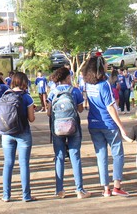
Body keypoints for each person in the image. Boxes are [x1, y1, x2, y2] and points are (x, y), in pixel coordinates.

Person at [82, 55, 130, 197]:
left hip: (94, 123)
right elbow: (110, 107)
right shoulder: (104, 85)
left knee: (101, 156)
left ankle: (106, 188)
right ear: (100, 67)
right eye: (105, 64)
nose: (107, 65)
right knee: (117, 153)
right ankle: (117, 186)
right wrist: (121, 126)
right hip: (108, 124)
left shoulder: (88, 84)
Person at [47, 66, 87, 199]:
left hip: (57, 127)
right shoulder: (75, 91)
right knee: (75, 156)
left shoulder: (53, 92)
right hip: (73, 125)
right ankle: (79, 190)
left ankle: (59, 190)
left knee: (59, 156)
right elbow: (80, 109)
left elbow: (48, 112)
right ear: (68, 77)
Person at [0, 71, 36, 202]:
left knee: (8, 163)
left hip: (6, 133)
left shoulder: (5, 95)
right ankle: (26, 195)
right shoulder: (27, 97)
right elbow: (31, 119)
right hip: (23, 132)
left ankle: (6, 195)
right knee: (23, 164)